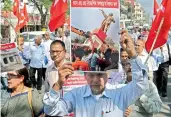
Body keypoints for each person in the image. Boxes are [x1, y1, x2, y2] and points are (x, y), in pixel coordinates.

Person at [43, 31, 149, 117]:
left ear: (107, 75)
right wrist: (57, 85)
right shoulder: (76, 95)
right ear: (85, 76)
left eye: (99, 75)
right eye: (91, 75)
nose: (95, 80)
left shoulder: (118, 92)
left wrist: (133, 55)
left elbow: (141, 85)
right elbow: (50, 110)